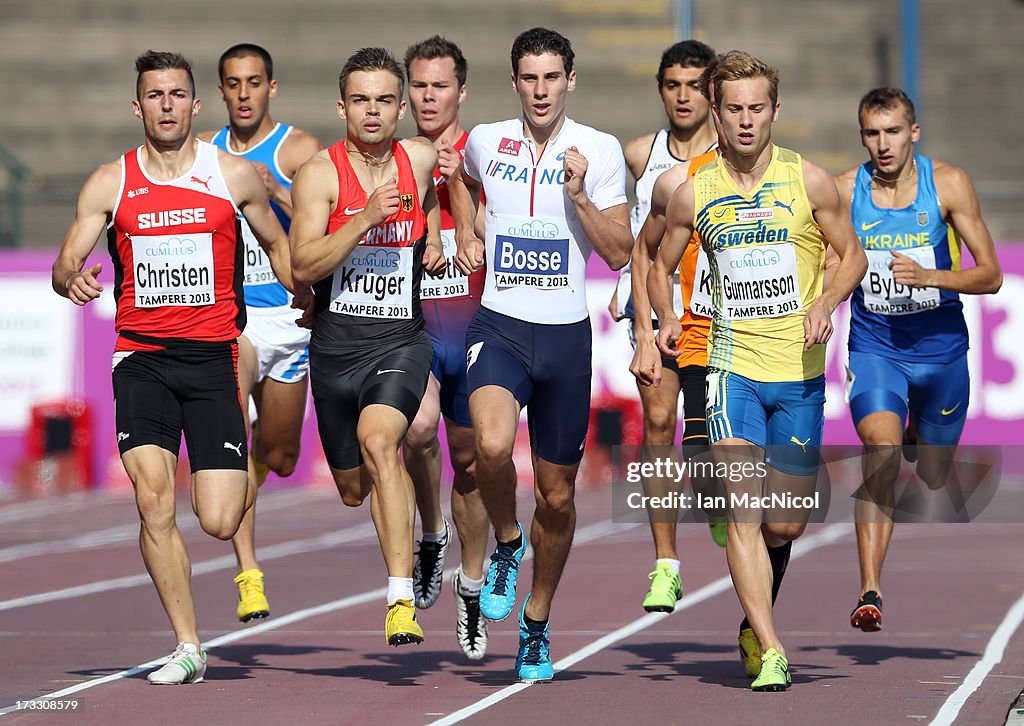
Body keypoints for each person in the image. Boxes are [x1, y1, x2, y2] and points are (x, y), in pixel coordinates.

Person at [51, 50, 296, 684]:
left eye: (177, 94)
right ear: (139, 106)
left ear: (195, 104)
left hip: (213, 359)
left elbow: (277, 243)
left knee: (218, 519)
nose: (166, 105)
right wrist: (70, 279)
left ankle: (227, 472)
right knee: (153, 499)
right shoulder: (111, 182)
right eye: (154, 95)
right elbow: (64, 262)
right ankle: (187, 645)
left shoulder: (234, 176)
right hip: (142, 359)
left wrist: (311, 297)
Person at [648, 50, 866, 691]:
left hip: (797, 373)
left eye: (757, 108)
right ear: (716, 112)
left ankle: (752, 620)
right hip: (729, 369)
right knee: (743, 511)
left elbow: (850, 254)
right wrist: (664, 317)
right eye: (734, 109)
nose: (745, 121)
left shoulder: (812, 182)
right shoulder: (695, 190)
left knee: (784, 522)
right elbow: (660, 263)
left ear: (775, 110)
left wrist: (826, 300)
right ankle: (771, 647)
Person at [448, 27, 632, 682]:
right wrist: (470, 228)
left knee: (556, 497)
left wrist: (579, 194)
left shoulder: (600, 150)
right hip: (498, 325)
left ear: (570, 80)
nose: (540, 89)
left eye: (552, 77)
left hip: (563, 339)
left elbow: (619, 252)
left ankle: (537, 622)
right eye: (529, 77)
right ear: (515, 81)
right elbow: (461, 179)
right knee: (490, 449)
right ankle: (505, 541)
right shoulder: (486, 140)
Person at [289, 47, 445, 647]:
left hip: (400, 340)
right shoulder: (320, 175)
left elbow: (438, 190)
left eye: (385, 100)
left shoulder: (421, 157)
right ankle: (418, 534)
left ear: (402, 107)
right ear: (342, 106)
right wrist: (360, 222)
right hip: (333, 351)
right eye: (361, 100)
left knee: (383, 440)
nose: (373, 112)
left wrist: (432, 232)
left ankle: (399, 598)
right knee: (355, 491)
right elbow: (303, 264)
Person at [834, 87, 1002, 633]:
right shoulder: (843, 191)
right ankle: (869, 588)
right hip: (876, 347)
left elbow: (991, 274)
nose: (882, 145)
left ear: (914, 132)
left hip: (940, 352)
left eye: (892, 132)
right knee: (879, 451)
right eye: (871, 133)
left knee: (931, 474)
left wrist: (930, 275)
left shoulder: (947, 183)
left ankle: (919, 439)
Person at [198, 43, 323, 624]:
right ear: (220, 91)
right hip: (234, 318)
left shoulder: (297, 148)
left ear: (271, 88)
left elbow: (330, 213)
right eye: (232, 84)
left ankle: (250, 473)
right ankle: (249, 574)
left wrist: (274, 190)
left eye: (253, 83)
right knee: (230, 432)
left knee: (278, 452)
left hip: (291, 319)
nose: (243, 94)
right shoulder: (204, 156)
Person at [620, 40, 722, 618]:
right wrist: (643, 326)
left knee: (709, 442)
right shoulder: (641, 155)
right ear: (660, 89)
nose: (681, 96)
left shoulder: (735, 154)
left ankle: (713, 498)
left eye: (693, 85)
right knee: (659, 420)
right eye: (671, 85)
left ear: (711, 91)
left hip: (724, 315)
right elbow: (638, 249)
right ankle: (666, 564)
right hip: (660, 309)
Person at [401, 35, 491, 660]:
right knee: (417, 430)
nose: (428, 97)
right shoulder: (393, 156)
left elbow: (488, 234)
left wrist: (455, 189)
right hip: (414, 328)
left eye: (440, 86)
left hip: (475, 327)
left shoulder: (485, 152)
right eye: (419, 86)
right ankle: (431, 532)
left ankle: (471, 585)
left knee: (474, 463)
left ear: (461, 91)